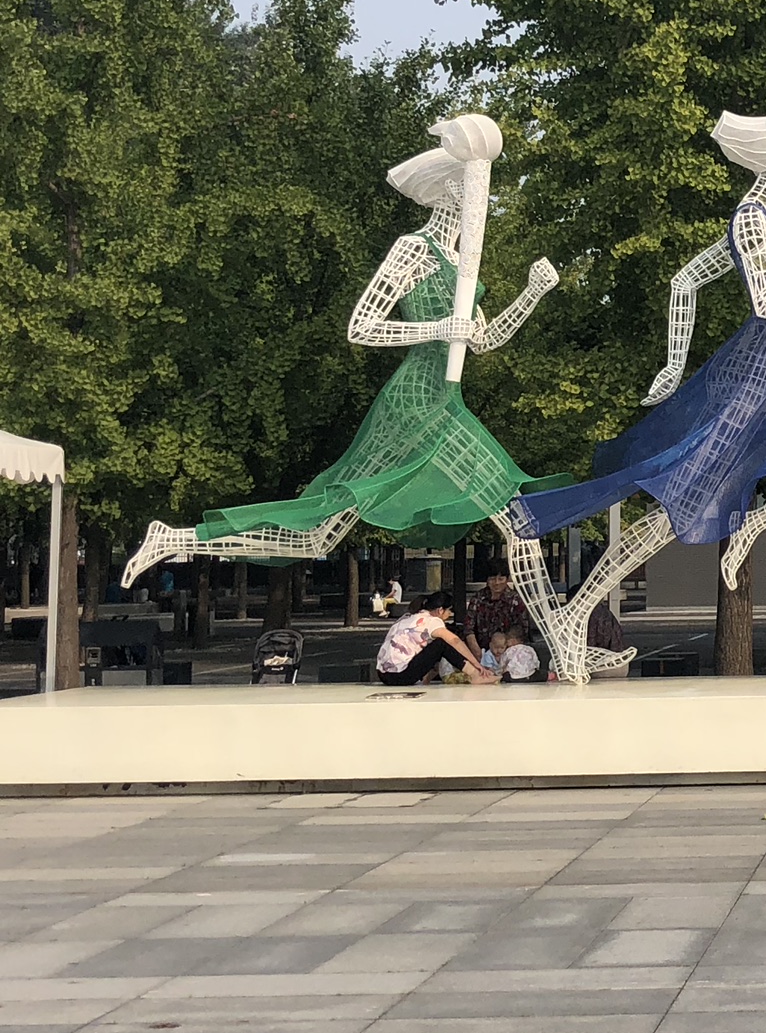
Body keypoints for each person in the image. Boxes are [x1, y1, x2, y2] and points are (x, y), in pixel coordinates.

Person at [120, 117, 574, 669]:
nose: (477, 197)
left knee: (321, 536)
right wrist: (436, 327)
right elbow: (363, 326)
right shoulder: (414, 250)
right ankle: (566, 644)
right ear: (444, 188)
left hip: (443, 400)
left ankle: (179, 539)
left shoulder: (463, 265)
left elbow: (482, 339)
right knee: (506, 512)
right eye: (467, 184)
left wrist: (531, 293)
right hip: (415, 402)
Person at [510, 102, 766, 680]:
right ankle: (577, 609)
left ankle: (760, 525)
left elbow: (686, 280)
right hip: (752, 378)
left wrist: (675, 361)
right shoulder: (749, 220)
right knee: (680, 503)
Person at [375, 590, 487, 686]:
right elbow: (455, 641)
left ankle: (426, 679)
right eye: (449, 611)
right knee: (442, 643)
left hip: (383, 674)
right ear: (440, 610)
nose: (449, 614)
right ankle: (475, 675)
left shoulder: (407, 617)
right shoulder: (432, 621)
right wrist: (476, 664)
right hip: (400, 674)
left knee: (431, 646)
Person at [466, 559, 530, 650]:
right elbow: (468, 627)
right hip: (481, 649)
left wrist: (503, 647)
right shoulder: (478, 598)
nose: (496, 583)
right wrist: (476, 649)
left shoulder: (516, 600)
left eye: (501, 579)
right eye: (492, 579)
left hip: (508, 649)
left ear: (507, 579)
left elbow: (522, 629)